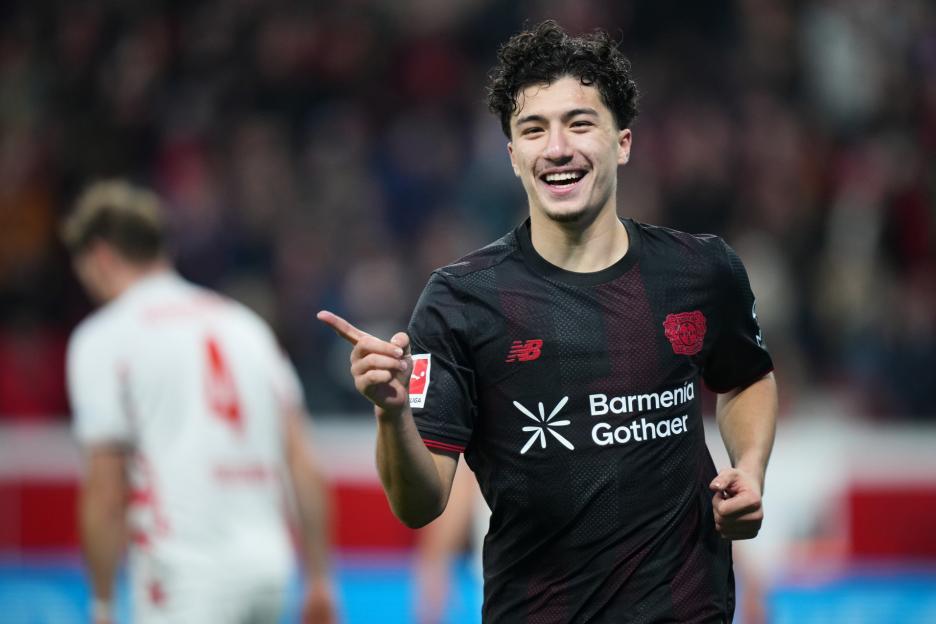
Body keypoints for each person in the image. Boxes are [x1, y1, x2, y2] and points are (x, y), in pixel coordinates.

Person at [319, 20, 777, 623]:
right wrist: (392, 412)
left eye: (579, 123)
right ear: (513, 156)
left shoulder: (701, 271)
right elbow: (418, 503)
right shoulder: (461, 301)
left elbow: (746, 378)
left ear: (623, 142)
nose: (557, 147)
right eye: (533, 130)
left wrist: (748, 469)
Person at [63, 180, 338, 624]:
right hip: (267, 570)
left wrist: (102, 602)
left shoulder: (105, 338)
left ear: (100, 256)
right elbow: (302, 461)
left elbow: (106, 486)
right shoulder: (244, 325)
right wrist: (321, 577)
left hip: (182, 574)